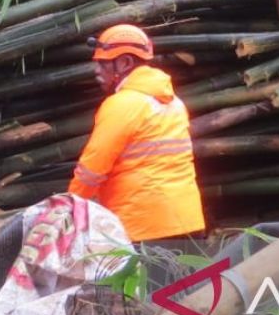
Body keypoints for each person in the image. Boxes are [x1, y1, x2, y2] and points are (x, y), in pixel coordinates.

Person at [67, 23, 205, 241]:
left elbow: (92, 170)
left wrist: (68, 211)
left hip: (143, 227)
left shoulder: (123, 104)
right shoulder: (173, 102)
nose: (96, 71)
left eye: (103, 64)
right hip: (186, 222)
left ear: (124, 62)